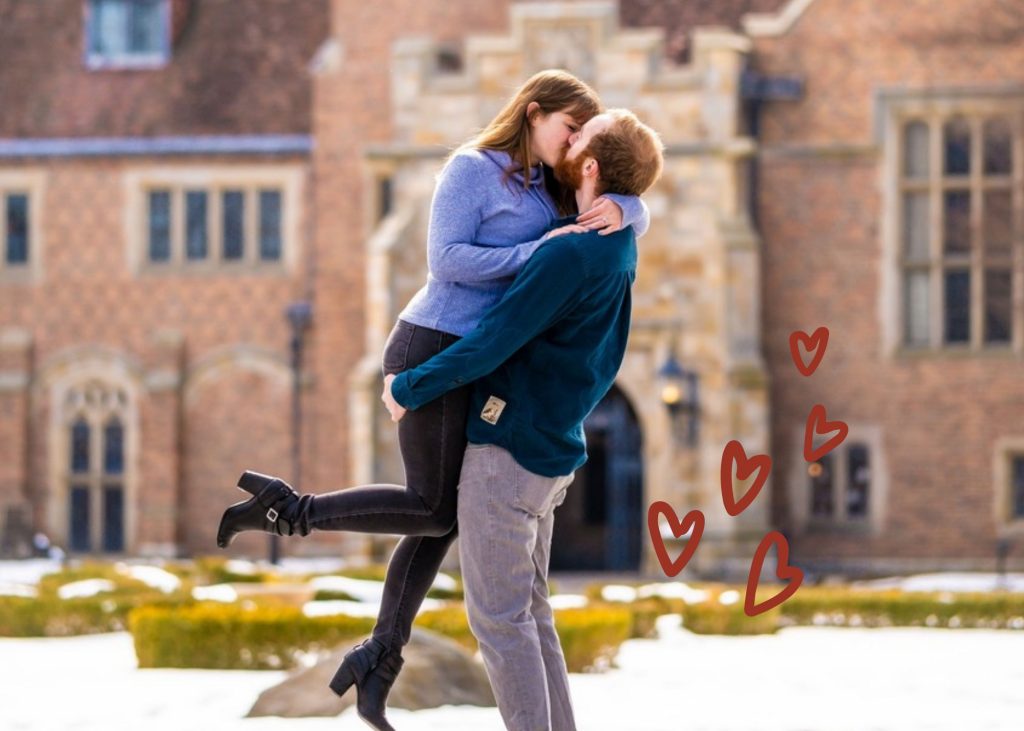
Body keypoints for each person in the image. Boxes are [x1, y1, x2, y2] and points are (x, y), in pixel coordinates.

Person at [215, 69, 649, 730]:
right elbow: (445, 260)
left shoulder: (553, 184)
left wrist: (630, 208)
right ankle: (291, 511)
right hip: (434, 345)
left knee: (442, 517)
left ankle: (379, 655)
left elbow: (615, 190)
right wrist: (541, 249)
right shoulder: (473, 170)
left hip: (475, 361)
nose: (569, 149)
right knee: (432, 507)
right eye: (566, 129)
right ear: (534, 114)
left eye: (578, 143)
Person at [382, 107, 664, 731]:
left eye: (581, 136)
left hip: (508, 454)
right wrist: (634, 206)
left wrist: (410, 385)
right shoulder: (613, 238)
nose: (570, 137)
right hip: (548, 455)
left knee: (500, 621)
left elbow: (493, 341)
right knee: (530, 615)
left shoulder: (570, 254)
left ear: (589, 166)